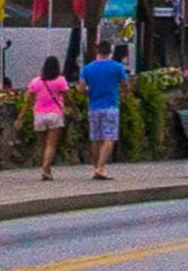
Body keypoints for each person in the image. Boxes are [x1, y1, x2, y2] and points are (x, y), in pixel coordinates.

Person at [80, 37, 130, 180]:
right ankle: (101, 167)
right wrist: (125, 95)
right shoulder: (117, 67)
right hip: (110, 106)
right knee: (109, 137)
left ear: (97, 50)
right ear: (110, 51)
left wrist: (91, 91)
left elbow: (81, 89)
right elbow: (125, 85)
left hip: (94, 106)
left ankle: (95, 167)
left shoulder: (88, 69)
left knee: (95, 138)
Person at [30, 55, 71, 181]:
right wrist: (74, 110)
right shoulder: (60, 80)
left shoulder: (36, 81)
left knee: (43, 144)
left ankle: (47, 169)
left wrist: (26, 112)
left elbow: (29, 98)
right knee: (51, 145)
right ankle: (46, 167)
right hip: (54, 114)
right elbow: (67, 97)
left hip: (39, 115)